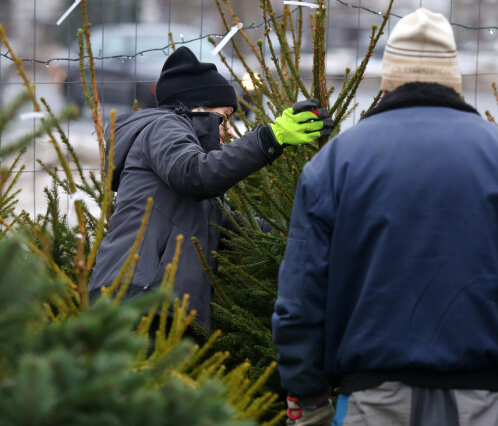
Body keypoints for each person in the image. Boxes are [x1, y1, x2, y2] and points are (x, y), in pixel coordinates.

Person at [272, 8, 498, 426]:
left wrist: (307, 397)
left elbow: (301, 295)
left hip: (371, 400)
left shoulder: (335, 164)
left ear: (388, 77)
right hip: (484, 400)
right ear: (452, 75)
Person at [88, 46, 332, 331]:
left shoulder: (177, 155)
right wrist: (270, 138)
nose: (229, 131)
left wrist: (297, 235)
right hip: (136, 298)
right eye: (225, 117)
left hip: (157, 303)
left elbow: (227, 227)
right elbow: (194, 174)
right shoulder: (163, 126)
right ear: (198, 110)